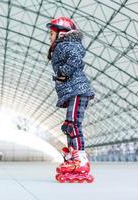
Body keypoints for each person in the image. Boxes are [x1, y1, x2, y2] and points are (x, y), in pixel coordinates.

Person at [46, 17, 95, 183]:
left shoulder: (68, 44)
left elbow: (76, 57)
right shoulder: (62, 46)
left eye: (51, 33)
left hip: (78, 90)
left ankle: (80, 158)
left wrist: (63, 73)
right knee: (68, 125)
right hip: (73, 90)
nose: (49, 37)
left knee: (73, 124)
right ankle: (73, 157)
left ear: (62, 33)